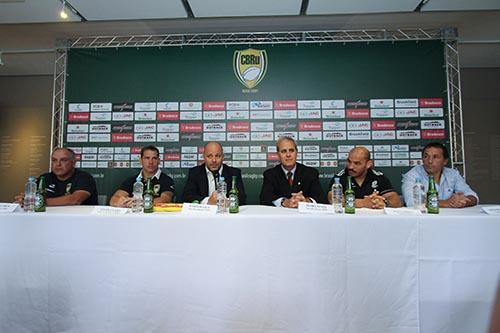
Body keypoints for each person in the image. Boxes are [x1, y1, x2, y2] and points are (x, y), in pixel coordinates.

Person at [401, 142, 478, 208]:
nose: (430, 161)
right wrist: (446, 203)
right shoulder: (412, 175)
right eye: (426, 156)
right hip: (424, 219)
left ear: (445, 161)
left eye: (435, 157)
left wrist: (463, 202)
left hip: (449, 218)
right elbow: (412, 202)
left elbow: (473, 196)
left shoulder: (453, 174)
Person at [14, 147, 98, 206]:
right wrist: (24, 200)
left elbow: (75, 200)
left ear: (73, 162)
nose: (58, 164)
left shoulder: (84, 177)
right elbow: (30, 197)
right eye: (54, 160)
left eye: (63, 160)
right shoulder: (45, 178)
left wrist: (40, 202)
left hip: (80, 222)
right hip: (48, 220)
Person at [260, 136, 326, 208]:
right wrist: (284, 202)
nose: (288, 155)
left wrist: (306, 201)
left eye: (291, 150)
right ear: (278, 155)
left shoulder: (310, 173)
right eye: (284, 151)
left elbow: (320, 198)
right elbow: (265, 199)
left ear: (296, 153)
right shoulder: (270, 174)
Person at [328, 146, 402, 209]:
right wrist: (364, 203)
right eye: (349, 162)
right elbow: (334, 200)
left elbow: (396, 200)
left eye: (357, 163)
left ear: (368, 164)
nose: (350, 167)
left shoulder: (378, 177)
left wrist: (382, 202)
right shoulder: (340, 177)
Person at [182, 141, 246, 205]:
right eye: (210, 156)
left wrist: (226, 201)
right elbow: (187, 197)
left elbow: (242, 198)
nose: (214, 160)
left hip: (226, 212)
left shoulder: (234, 173)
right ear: (204, 157)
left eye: (217, 156)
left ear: (223, 157)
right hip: (203, 213)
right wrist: (208, 201)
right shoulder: (195, 172)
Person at [110, 145, 175, 207]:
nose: (150, 162)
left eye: (154, 158)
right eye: (147, 158)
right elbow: (114, 199)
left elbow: (165, 199)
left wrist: (140, 204)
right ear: (141, 160)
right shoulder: (131, 180)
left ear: (158, 161)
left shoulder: (166, 180)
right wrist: (122, 202)